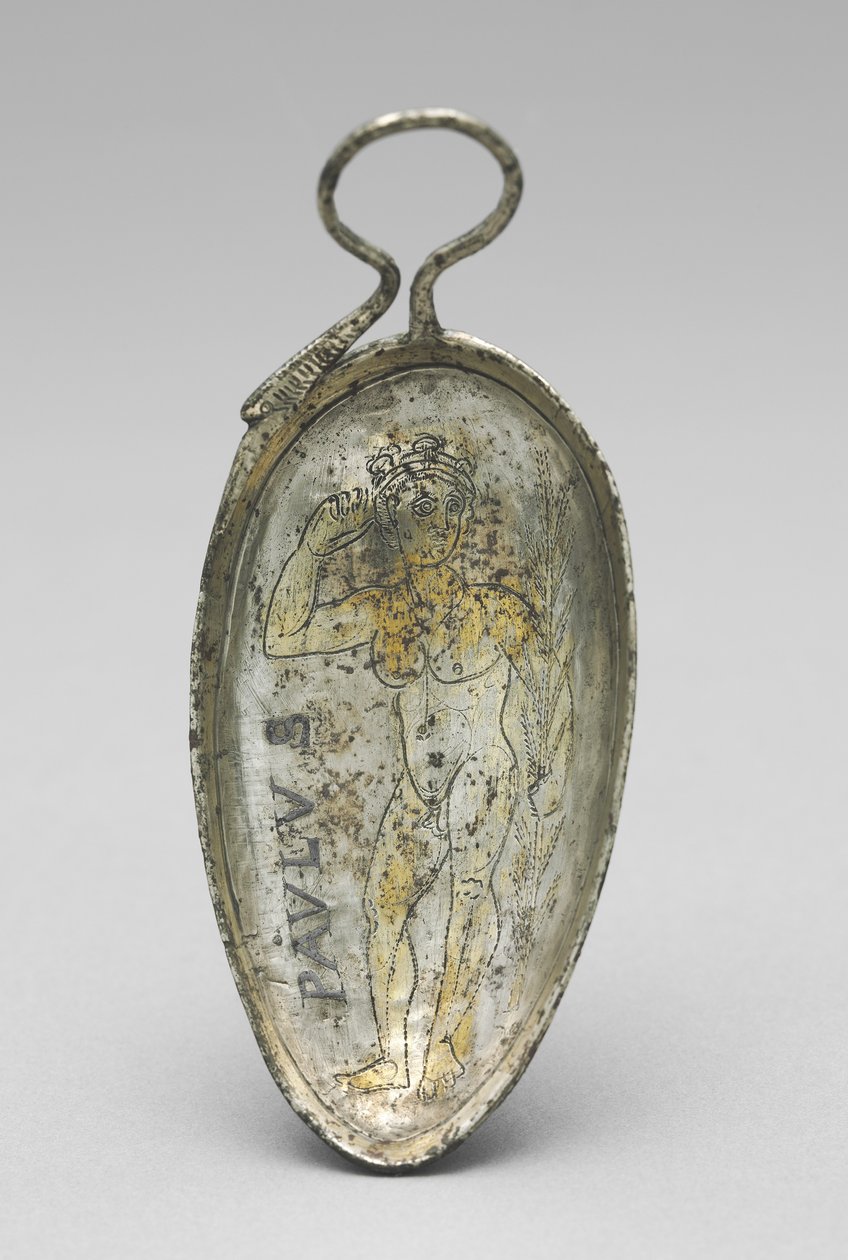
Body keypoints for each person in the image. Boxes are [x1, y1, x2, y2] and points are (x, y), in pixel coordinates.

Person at [265, 434, 564, 1100]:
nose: (441, 526)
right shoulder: (384, 608)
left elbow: (551, 685)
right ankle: (396, 1056)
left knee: (466, 905)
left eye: (452, 510)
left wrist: (545, 771)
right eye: (422, 510)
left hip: (482, 772)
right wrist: (312, 549)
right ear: (394, 523)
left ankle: (445, 1052)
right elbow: (279, 639)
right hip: (417, 788)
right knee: (384, 908)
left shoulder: (495, 611)